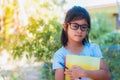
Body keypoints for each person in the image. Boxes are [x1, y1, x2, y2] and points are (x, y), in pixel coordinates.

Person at [52, 6, 110, 80]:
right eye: (75, 26)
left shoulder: (93, 48)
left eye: (83, 27)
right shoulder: (60, 55)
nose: (79, 31)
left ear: (87, 29)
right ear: (65, 26)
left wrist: (84, 73)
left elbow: (106, 75)